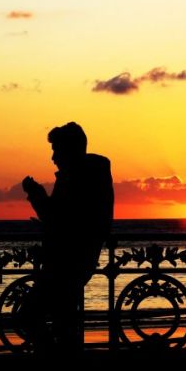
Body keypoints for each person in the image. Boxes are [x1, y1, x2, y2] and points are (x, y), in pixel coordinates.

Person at [21, 122, 114, 355]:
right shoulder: (92, 174)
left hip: (66, 261)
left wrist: (36, 195)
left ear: (69, 149)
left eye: (56, 150)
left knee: (30, 315)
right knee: (65, 321)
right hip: (78, 258)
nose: (53, 157)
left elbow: (60, 218)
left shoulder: (75, 178)